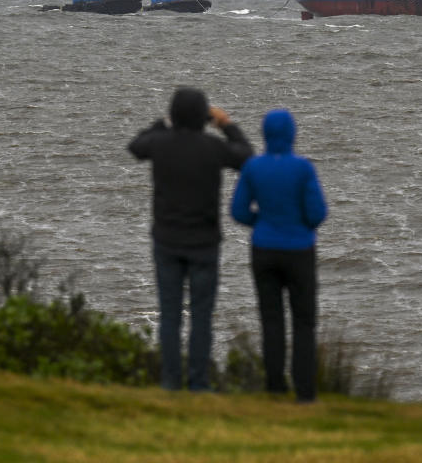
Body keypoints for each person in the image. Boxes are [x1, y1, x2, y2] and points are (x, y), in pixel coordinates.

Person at [128, 87, 253, 391]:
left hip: (167, 241)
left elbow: (135, 146)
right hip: (204, 243)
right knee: (201, 316)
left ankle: (170, 382)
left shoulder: (160, 144)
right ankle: (198, 384)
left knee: (170, 316)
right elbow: (246, 156)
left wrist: (163, 123)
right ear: (203, 116)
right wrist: (226, 124)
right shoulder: (212, 147)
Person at [230, 109, 327, 402]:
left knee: (271, 320)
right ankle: (305, 391)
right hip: (299, 250)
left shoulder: (253, 168)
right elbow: (318, 213)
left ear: (265, 134)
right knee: (304, 321)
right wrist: (299, 224)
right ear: (292, 134)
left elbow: (238, 211)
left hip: (264, 249)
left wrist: (260, 223)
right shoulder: (303, 169)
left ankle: (274, 386)